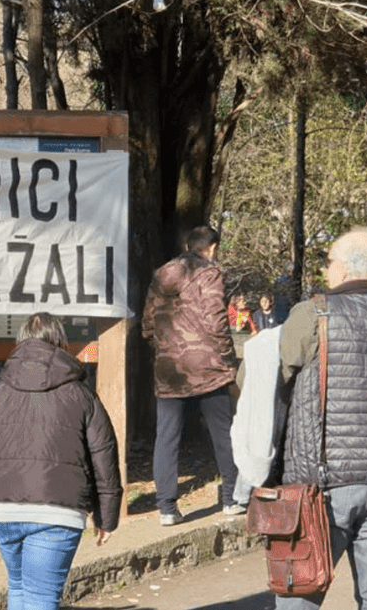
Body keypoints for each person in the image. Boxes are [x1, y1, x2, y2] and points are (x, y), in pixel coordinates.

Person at [276, 227, 367, 610]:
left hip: (319, 479)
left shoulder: (313, 313)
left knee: (300, 590)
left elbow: (275, 381)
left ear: (342, 269)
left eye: (328, 262)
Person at [0, 312, 122, 609]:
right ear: (61, 342)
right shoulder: (82, 396)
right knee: (40, 596)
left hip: (2, 508)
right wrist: (106, 515)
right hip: (59, 511)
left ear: (20, 343)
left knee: (19, 587)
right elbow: (104, 456)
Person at [142, 225, 243, 524]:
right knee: (222, 432)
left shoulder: (161, 274)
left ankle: (166, 508)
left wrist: (165, 349)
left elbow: (147, 325)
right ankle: (231, 498)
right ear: (212, 248)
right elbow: (216, 321)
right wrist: (228, 359)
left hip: (170, 369)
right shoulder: (208, 272)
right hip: (208, 366)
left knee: (167, 437)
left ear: (188, 245)